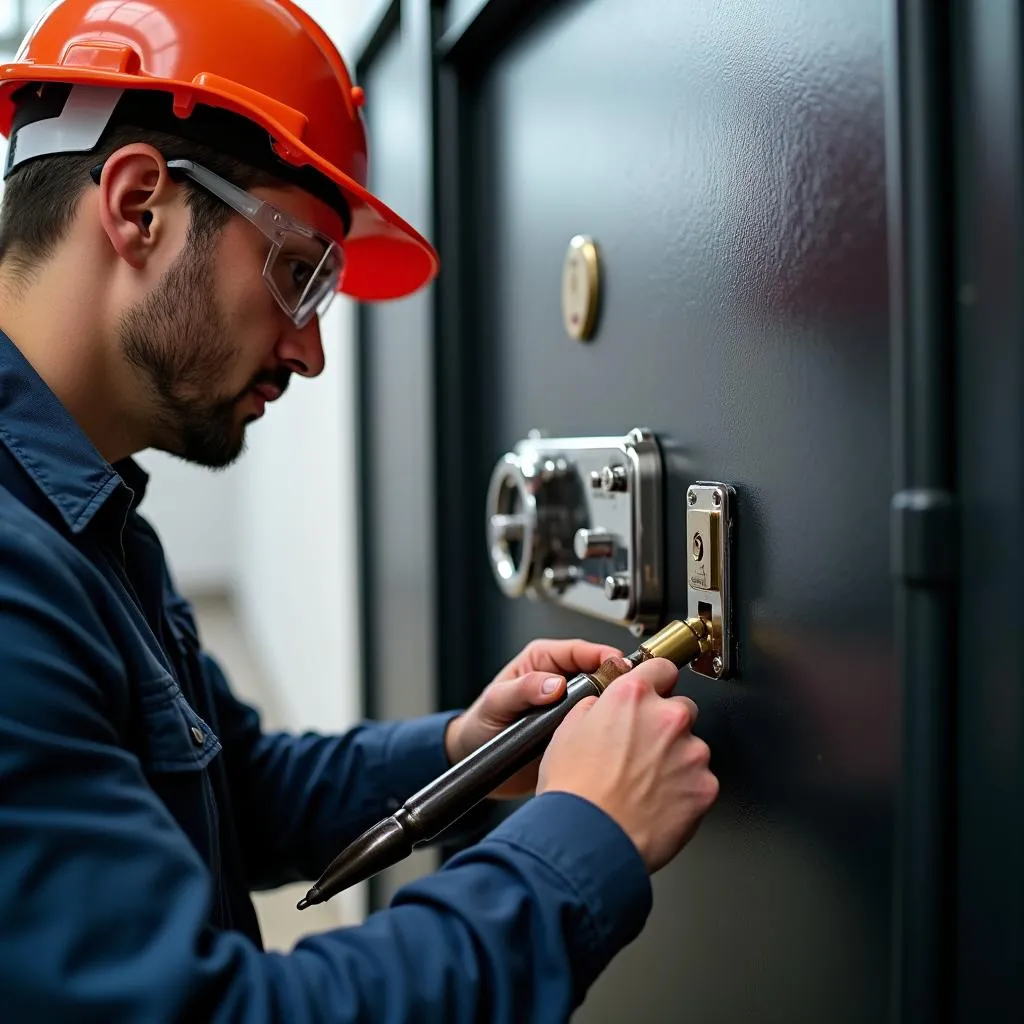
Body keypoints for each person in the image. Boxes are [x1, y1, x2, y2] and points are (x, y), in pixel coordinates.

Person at [0, 1, 719, 1020]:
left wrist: (463, 750)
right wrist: (583, 837)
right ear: (138, 206)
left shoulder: (83, 512)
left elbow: (231, 788)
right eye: (299, 275)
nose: (311, 351)